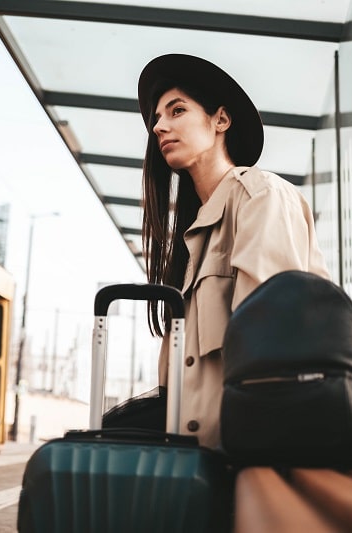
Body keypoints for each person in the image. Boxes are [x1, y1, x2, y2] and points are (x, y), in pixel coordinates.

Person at [138, 54, 330, 449]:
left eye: (177, 110)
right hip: (198, 459)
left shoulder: (260, 198)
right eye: (158, 118)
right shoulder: (193, 236)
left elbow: (272, 348)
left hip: (248, 457)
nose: (160, 126)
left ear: (220, 121)